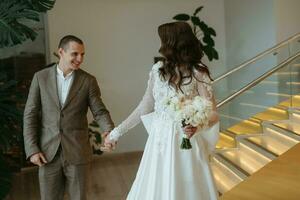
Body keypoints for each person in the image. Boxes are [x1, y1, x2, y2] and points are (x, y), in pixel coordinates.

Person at [105, 22, 220, 200]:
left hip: (186, 142)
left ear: (172, 42)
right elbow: (144, 107)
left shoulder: (198, 72)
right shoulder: (158, 70)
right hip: (159, 144)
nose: (161, 45)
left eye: (163, 39)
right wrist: (116, 133)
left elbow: (212, 113)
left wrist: (196, 126)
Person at [23, 35, 114, 200]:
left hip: (77, 152)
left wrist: (109, 131)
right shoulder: (40, 78)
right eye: (75, 54)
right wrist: (32, 149)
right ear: (61, 52)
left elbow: (99, 111)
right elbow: (30, 115)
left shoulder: (88, 81)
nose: (80, 59)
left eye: (82, 54)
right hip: (47, 153)